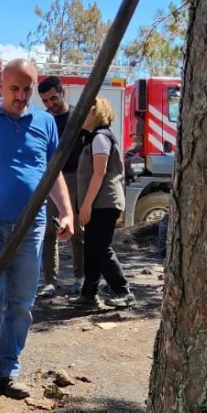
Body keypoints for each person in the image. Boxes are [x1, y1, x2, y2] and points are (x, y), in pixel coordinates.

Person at [0, 59, 74, 405]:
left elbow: (54, 173)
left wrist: (66, 212)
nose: (21, 96)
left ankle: (8, 371)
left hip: (31, 226)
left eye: (27, 89)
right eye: (14, 89)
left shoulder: (47, 123)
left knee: (21, 302)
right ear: (1, 87)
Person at [69, 97, 135, 309]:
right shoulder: (92, 138)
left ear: (97, 114)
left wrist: (86, 204)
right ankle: (89, 294)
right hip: (99, 203)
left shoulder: (100, 137)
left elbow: (100, 172)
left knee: (100, 248)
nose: (81, 117)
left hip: (104, 203)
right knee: (92, 249)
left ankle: (123, 291)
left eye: (86, 112)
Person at [36, 76, 88, 297]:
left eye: (53, 98)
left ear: (62, 92)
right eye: (45, 101)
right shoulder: (43, 120)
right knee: (49, 232)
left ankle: (80, 278)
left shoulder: (79, 117)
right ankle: (50, 281)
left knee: (77, 231)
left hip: (76, 177)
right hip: (50, 179)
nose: (50, 104)